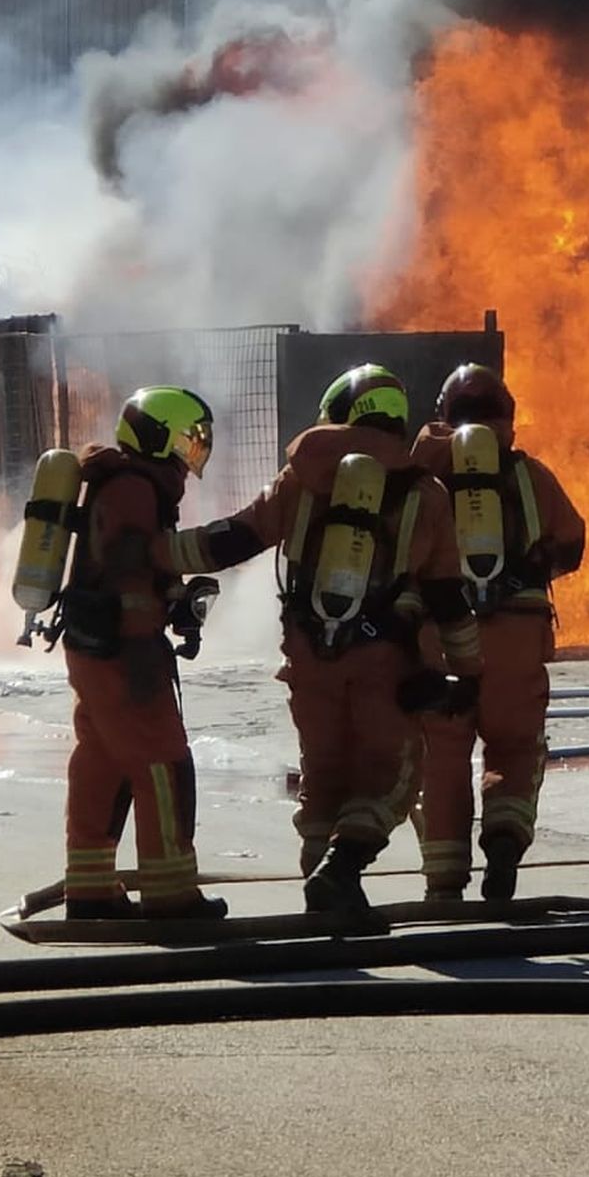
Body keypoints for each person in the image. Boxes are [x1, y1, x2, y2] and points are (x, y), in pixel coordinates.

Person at [158, 364, 481, 923]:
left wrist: (154, 553)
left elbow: (235, 537)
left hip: (309, 656)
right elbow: (448, 593)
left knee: (324, 773)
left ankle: (325, 894)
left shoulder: (300, 479)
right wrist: (469, 670)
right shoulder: (425, 493)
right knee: (392, 774)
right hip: (387, 659)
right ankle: (340, 872)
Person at [410, 364, 587, 904]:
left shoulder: (418, 474)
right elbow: (572, 546)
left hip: (441, 638)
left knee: (440, 756)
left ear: (443, 416)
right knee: (513, 747)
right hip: (515, 635)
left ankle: (444, 880)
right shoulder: (532, 476)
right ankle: (504, 839)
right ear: (507, 418)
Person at [60, 385, 227, 922]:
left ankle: (89, 889)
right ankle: (170, 894)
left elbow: (130, 567)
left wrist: (176, 601)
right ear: (157, 436)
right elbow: (131, 568)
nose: (192, 451)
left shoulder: (129, 482)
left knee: (103, 762)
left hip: (95, 644)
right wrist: (140, 648)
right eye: (187, 439)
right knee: (164, 763)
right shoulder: (135, 488)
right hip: (123, 649)